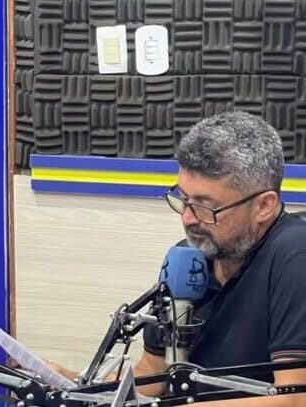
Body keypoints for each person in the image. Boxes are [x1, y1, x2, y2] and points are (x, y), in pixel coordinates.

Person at [42, 111, 306, 406]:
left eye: (206, 206)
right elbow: (154, 374)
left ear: (264, 206)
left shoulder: (295, 257)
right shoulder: (188, 259)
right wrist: (73, 387)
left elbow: (293, 398)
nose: (188, 218)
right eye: (183, 199)